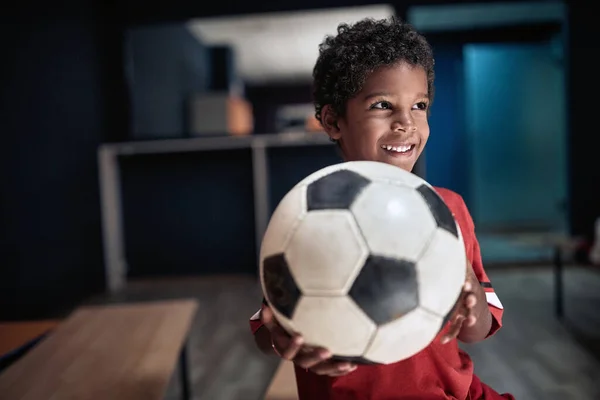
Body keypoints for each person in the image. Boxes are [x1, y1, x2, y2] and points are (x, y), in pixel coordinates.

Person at [249, 17, 513, 400]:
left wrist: (463, 290)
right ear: (332, 121)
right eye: (383, 105)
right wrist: (284, 339)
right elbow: (266, 332)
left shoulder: (448, 208)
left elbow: (476, 331)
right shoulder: (308, 218)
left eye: (419, 105)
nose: (406, 122)